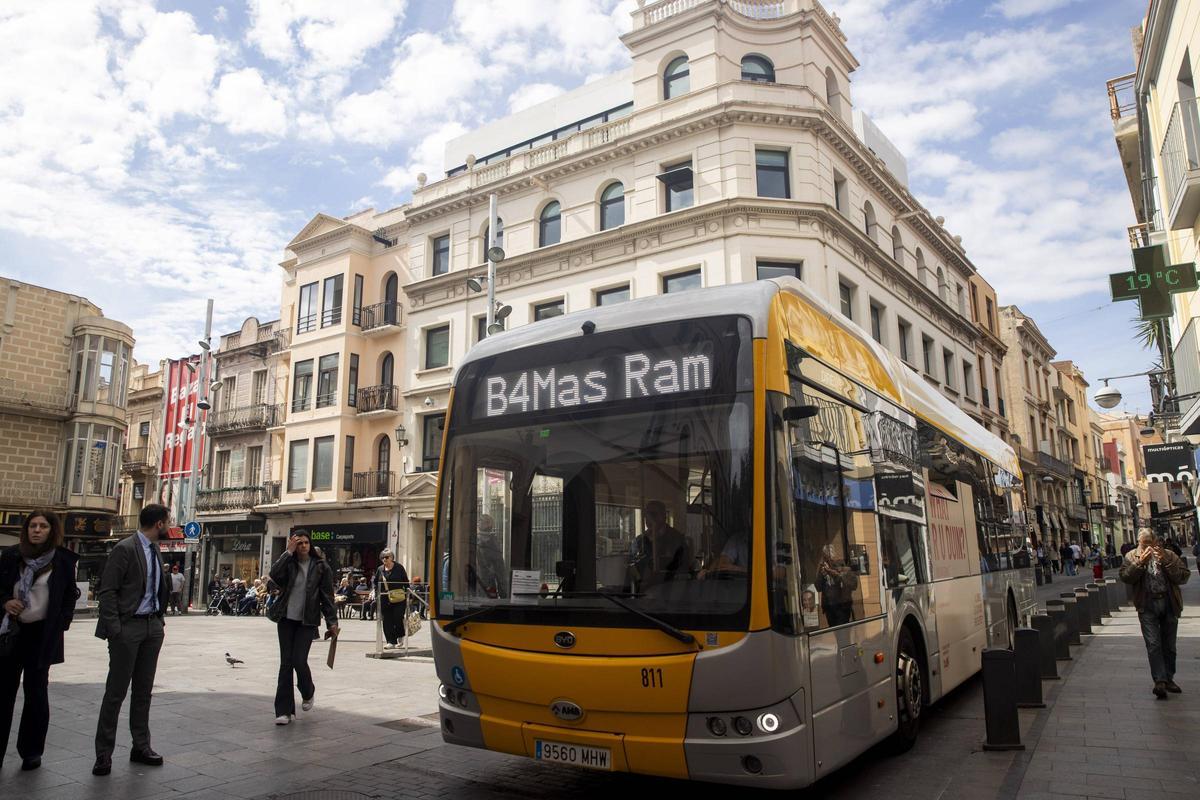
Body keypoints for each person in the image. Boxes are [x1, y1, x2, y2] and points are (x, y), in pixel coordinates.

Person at [92, 504, 172, 776]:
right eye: (168, 522)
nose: (169, 526)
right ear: (159, 524)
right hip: (128, 629)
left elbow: (159, 588)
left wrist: (159, 621)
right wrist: (116, 628)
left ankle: (141, 746)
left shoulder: (155, 550)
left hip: (151, 628)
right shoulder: (125, 549)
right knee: (116, 692)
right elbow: (108, 590)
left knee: (143, 692)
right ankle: (103, 753)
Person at [0, 510, 78, 772]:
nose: (36, 530)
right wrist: (5, 602)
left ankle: (31, 751)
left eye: (42, 526)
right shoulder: (12, 556)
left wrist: (60, 625)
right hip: (11, 632)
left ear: (51, 530)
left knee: (36, 694)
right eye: (32, 525)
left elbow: (69, 596)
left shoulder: (63, 561)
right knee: (3, 695)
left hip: (42, 635)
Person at [267, 531, 338, 725]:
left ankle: (308, 691)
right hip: (286, 619)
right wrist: (287, 553)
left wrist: (333, 623)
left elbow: (327, 597)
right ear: (293, 545)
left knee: (299, 660)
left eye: (306, 542)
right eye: (299, 543)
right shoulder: (288, 563)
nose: (304, 546)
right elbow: (273, 575)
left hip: (308, 620)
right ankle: (284, 711)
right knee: (285, 664)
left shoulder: (321, 567)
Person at [1120, 528, 1191, 699]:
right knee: (1153, 644)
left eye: (1150, 544)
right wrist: (1139, 564)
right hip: (1147, 604)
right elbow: (1125, 577)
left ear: (1156, 542)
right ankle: (1159, 681)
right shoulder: (1131, 557)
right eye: (1144, 544)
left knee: (1169, 645)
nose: (1147, 548)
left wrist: (1166, 562)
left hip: (1168, 602)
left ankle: (1169, 678)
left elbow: (1183, 576)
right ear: (1139, 543)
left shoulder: (1168, 554)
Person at [628, 501, 691, 590]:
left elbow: (683, 568)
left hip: (669, 591)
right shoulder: (638, 541)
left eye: (654, 514)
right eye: (647, 514)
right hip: (643, 593)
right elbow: (631, 566)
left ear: (664, 516)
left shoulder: (677, 539)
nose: (650, 518)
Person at [376, 550, 409, 650]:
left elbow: (406, 582)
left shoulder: (399, 568)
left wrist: (408, 595)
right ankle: (390, 641)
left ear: (392, 557)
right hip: (385, 598)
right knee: (387, 620)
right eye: (382, 557)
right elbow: (376, 582)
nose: (384, 559)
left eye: (386, 557)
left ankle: (400, 636)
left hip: (399, 597)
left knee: (398, 617)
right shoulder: (380, 569)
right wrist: (376, 592)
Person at [817, 544, 855, 626]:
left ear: (833, 556)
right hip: (829, 608)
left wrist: (830, 571)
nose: (827, 561)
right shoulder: (823, 569)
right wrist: (820, 573)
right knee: (835, 633)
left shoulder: (842, 566)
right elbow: (818, 587)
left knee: (843, 634)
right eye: (825, 557)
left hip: (842, 607)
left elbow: (849, 583)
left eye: (828, 557)